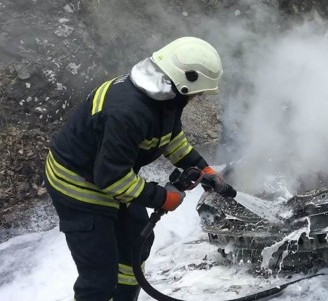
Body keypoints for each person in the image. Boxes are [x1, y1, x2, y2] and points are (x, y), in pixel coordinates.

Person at [44, 36, 237, 301]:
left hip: (109, 175)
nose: (199, 97)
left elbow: (171, 138)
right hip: (77, 184)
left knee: (136, 244)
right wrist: (163, 197)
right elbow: (110, 179)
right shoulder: (127, 111)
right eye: (198, 92)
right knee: (99, 275)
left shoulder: (164, 98)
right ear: (183, 82)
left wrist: (202, 169)